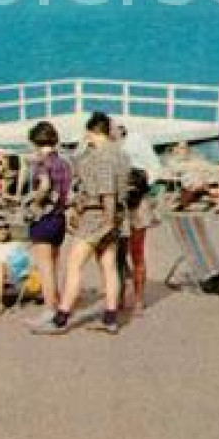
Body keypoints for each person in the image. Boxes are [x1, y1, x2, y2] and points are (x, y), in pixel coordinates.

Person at [33, 111, 128, 335]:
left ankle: (61, 319)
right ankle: (110, 317)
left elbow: (107, 192)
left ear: (92, 132)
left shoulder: (101, 156)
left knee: (74, 264)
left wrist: (106, 220)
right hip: (113, 216)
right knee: (108, 266)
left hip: (97, 216)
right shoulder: (122, 155)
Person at [23, 120, 71, 311]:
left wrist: (32, 201)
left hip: (44, 217)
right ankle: (57, 300)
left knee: (45, 268)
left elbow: (44, 186)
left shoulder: (43, 163)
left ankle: (50, 309)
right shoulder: (63, 163)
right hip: (60, 217)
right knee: (54, 263)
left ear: (35, 141)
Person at [119, 168, 157, 316]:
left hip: (131, 211)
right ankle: (137, 300)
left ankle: (124, 298)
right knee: (136, 256)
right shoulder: (144, 200)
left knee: (121, 257)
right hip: (138, 211)